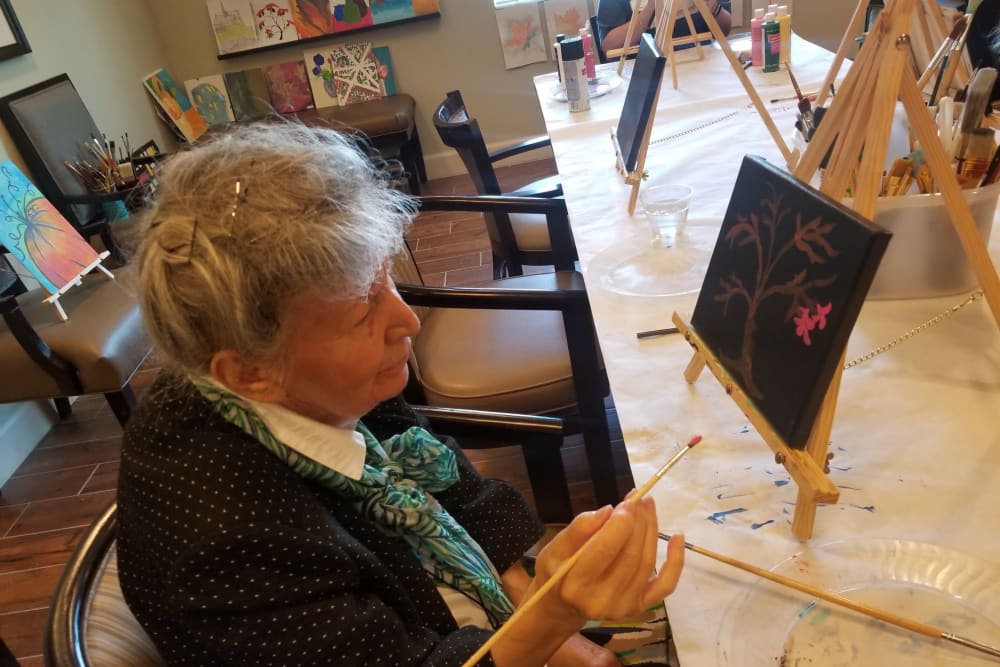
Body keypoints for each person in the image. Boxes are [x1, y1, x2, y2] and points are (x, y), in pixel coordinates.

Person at [118, 121, 686, 667]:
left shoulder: (286, 370)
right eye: (364, 311)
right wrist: (555, 614)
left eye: (384, 275)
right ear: (248, 374)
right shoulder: (228, 550)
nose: (408, 319)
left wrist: (531, 600)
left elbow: (442, 476)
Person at [598, 0, 732, 53]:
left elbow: (725, 30)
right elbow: (609, 46)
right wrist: (650, 8)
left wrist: (712, 8)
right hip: (645, 73)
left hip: (702, 63)